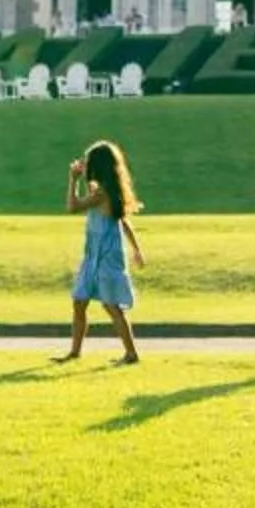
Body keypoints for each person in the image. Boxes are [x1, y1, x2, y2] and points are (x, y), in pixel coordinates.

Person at [59, 140, 146, 364]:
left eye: (88, 163)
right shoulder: (104, 191)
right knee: (79, 301)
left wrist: (72, 179)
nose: (84, 165)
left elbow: (72, 207)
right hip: (93, 255)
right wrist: (136, 250)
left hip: (106, 256)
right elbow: (123, 223)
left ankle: (131, 353)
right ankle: (75, 351)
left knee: (111, 305)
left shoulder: (103, 194)